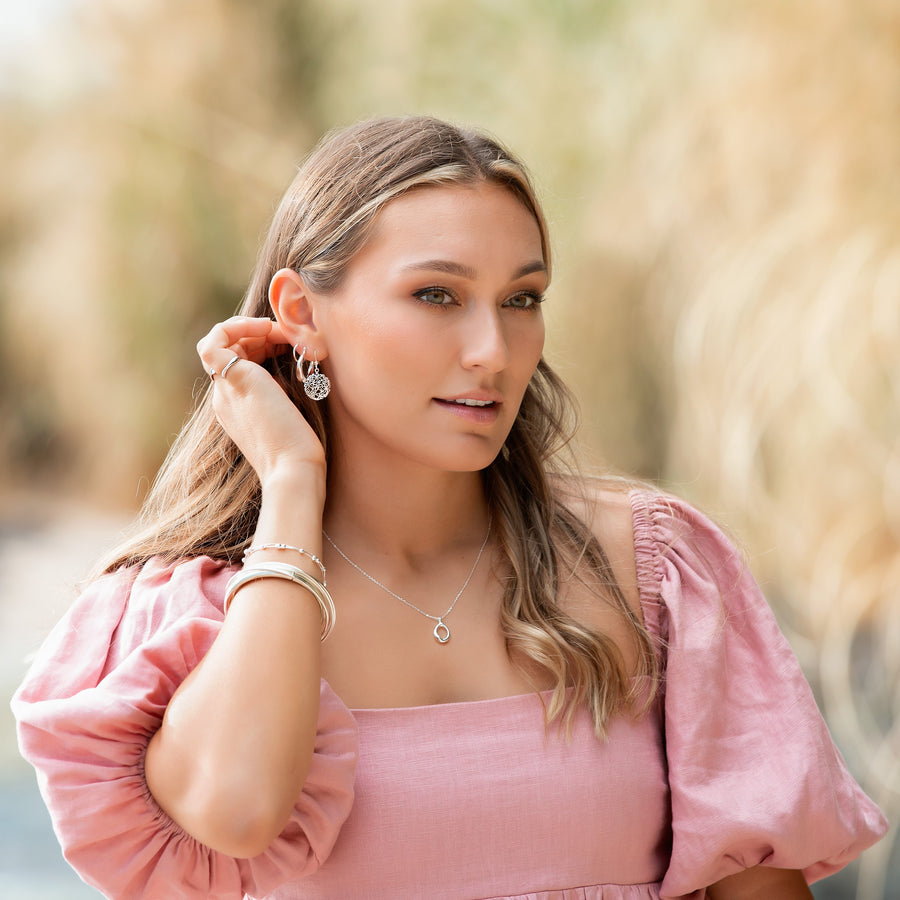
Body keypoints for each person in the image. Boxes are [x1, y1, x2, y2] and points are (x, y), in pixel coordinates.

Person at [12, 116, 887, 900]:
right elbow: (235, 815)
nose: (492, 351)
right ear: (301, 314)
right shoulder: (185, 617)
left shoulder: (650, 569)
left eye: (522, 299)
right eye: (437, 295)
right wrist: (288, 480)